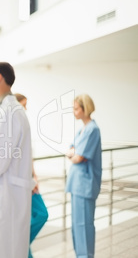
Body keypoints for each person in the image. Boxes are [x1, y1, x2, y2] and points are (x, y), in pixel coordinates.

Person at [0, 62, 34, 258]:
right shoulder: (6, 110)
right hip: (9, 193)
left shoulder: (9, 112)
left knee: (7, 248)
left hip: (7, 195)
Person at [65, 94, 102, 258]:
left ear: (85, 109)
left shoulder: (93, 130)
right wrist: (74, 155)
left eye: (76, 108)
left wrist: (74, 156)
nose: (74, 112)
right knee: (76, 226)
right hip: (77, 184)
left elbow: (78, 157)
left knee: (84, 225)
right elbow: (72, 151)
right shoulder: (82, 130)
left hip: (85, 185)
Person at [14, 93, 49, 258]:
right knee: (41, 214)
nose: (26, 108)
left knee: (31, 218)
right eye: (24, 104)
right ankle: (18, 242)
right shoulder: (13, 127)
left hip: (29, 181)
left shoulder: (22, 125)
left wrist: (34, 177)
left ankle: (19, 243)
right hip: (21, 184)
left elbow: (28, 157)